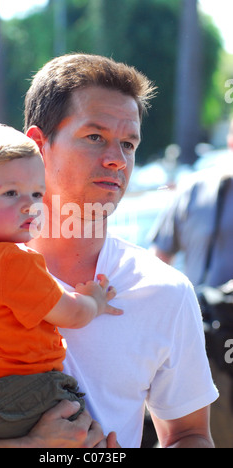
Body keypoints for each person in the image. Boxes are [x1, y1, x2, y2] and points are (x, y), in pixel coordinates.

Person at [0, 54, 218, 448]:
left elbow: (190, 435)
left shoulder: (166, 291)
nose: (116, 160)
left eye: (129, 143)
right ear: (37, 144)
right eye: (95, 137)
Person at [0, 122, 121, 440]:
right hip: (23, 394)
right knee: (87, 434)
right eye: (10, 193)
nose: (30, 205)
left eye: (36, 193)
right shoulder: (11, 261)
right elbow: (71, 314)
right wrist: (95, 301)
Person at [151, 118, 233, 448]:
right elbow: (156, 267)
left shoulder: (192, 187)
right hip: (203, 344)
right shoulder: (193, 188)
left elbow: (156, 265)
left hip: (202, 342)